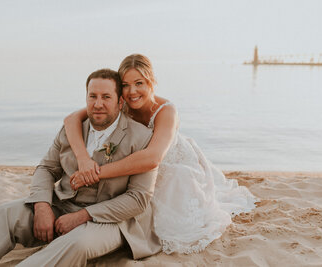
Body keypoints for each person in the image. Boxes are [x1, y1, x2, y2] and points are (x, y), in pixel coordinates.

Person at [0, 69, 161, 267]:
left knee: (77, 243)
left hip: (110, 220)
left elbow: (138, 199)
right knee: (6, 213)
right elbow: (46, 168)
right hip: (62, 205)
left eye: (106, 97)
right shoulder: (71, 130)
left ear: (120, 102)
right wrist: (42, 206)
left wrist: (84, 215)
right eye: (92, 96)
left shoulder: (141, 138)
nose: (98, 104)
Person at [65, 54, 258, 254]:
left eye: (139, 83)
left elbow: (153, 158)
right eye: (125, 85)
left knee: (176, 203)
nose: (132, 92)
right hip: (139, 165)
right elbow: (71, 120)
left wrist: (96, 173)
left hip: (174, 162)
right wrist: (84, 160)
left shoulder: (167, 111)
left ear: (152, 81)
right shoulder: (120, 103)